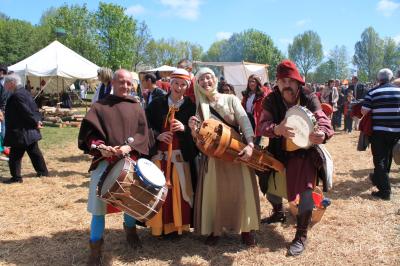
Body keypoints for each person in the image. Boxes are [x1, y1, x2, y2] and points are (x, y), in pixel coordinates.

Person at [257, 59, 333, 256]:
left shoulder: (309, 96)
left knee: (306, 190)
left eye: (290, 80)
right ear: (277, 83)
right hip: (278, 148)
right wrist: (276, 129)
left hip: (304, 151)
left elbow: (322, 118)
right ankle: (278, 211)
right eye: (282, 81)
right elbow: (261, 125)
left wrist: (322, 133)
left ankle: (301, 235)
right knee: (263, 173)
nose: (286, 85)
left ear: (298, 82)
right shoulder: (271, 99)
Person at [78, 69, 149, 265]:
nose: (125, 86)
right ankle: (95, 249)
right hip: (104, 162)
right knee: (98, 206)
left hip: (129, 161)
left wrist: (129, 146)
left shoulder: (136, 107)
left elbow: (143, 134)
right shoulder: (100, 107)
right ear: (113, 83)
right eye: (121, 82)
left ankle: (131, 232)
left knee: (130, 203)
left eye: (129, 83)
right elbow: (89, 135)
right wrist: (101, 147)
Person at [188, 67, 260, 246]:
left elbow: (245, 122)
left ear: (214, 79)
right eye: (201, 80)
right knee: (216, 193)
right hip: (215, 155)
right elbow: (199, 137)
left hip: (237, 151)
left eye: (208, 78)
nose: (206, 82)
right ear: (198, 84)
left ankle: (246, 229)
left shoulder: (231, 99)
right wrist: (192, 129)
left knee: (242, 191)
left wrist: (250, 144)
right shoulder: (200, 106)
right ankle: (216, 229)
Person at [145, 69, 198, 237]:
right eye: (176, 83)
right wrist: (157, 135)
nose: (179, 87)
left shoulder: (191, 106)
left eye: (184, 84)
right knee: (160, 195)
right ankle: (159, 227)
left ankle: (177, 227)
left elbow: (198, 133)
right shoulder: (156, 104)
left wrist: (185, 129)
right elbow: (145, 127)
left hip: (180, 159)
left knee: (180, 193)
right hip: (160, 158)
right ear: (171, 83)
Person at [361, 68, 400, 201]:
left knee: (379, 160)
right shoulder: (399, 90)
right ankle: (380, 179)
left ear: (379, 79)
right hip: (396, 131)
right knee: (388, 156)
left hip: (379, 131)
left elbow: (364, 111)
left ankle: (385, 191)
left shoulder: (373, 92)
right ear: (391, 78)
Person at [2, 74, 48, 184]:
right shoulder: (24, 92)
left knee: (15, 156)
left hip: (21, 131)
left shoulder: (17, 95)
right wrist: (37, 120)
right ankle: (43, 172)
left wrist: (36, 122)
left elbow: (26, 112)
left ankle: (16, 178)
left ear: (12, 83)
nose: (4, 85)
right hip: (27, 131)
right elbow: (34, 108)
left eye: (6, 83)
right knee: (34, 152)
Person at [241, 74, 271, 139]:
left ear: (257, 82)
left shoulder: (263, 93)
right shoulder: (247, 95)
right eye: (249, 81)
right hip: (248, 121)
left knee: (257, 144)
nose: (251, 83)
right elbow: (242, 107)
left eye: (253, 81)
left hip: (258, 122)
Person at [0, 65, 10, 140]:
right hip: (6, 107)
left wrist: (2, 109)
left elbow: (4, 97)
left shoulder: (4, 82)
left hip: (3, 108)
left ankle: (4, 145)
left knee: (3, 127)